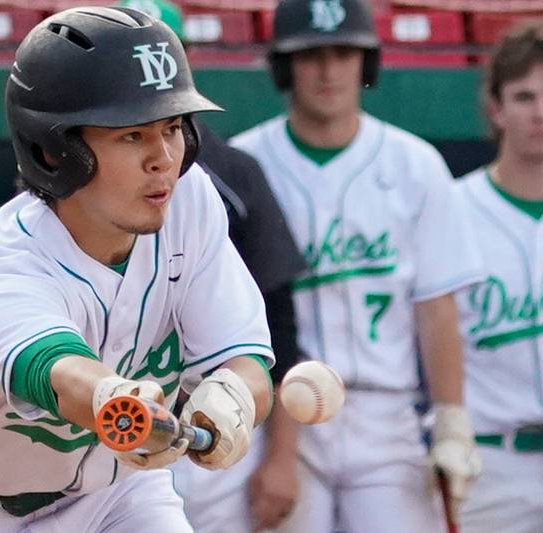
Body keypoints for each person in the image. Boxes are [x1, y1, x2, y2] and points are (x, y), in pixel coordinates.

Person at [0, 6, 275, 532]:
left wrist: (233, 397)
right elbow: (66, 376)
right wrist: (115, 401)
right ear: (54, 152)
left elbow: (246, 361)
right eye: (132, 135)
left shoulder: (188, 202)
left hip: (117, 493)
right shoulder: (2, 268)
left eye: (173, 127)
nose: (164, 157)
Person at [229, 1, 485, 532]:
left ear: (366, 63)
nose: (328, 71)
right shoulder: (244, 164)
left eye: (344, 53)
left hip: (385, 414)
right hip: (284, 415)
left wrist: (452, 423)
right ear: (284, 66)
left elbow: (435, 309)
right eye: (311, 55)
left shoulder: (414, 165)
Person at [116, 2, 307, 532]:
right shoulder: (75, 176)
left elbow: (280, 324)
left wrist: (282, 455)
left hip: (213, 422)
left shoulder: (231, 174)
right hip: (112, 428)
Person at [455, 20, 543, 533]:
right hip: (490, 462)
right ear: (496, 108)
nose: (540, 113)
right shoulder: (454, 206)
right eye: (525, 96)